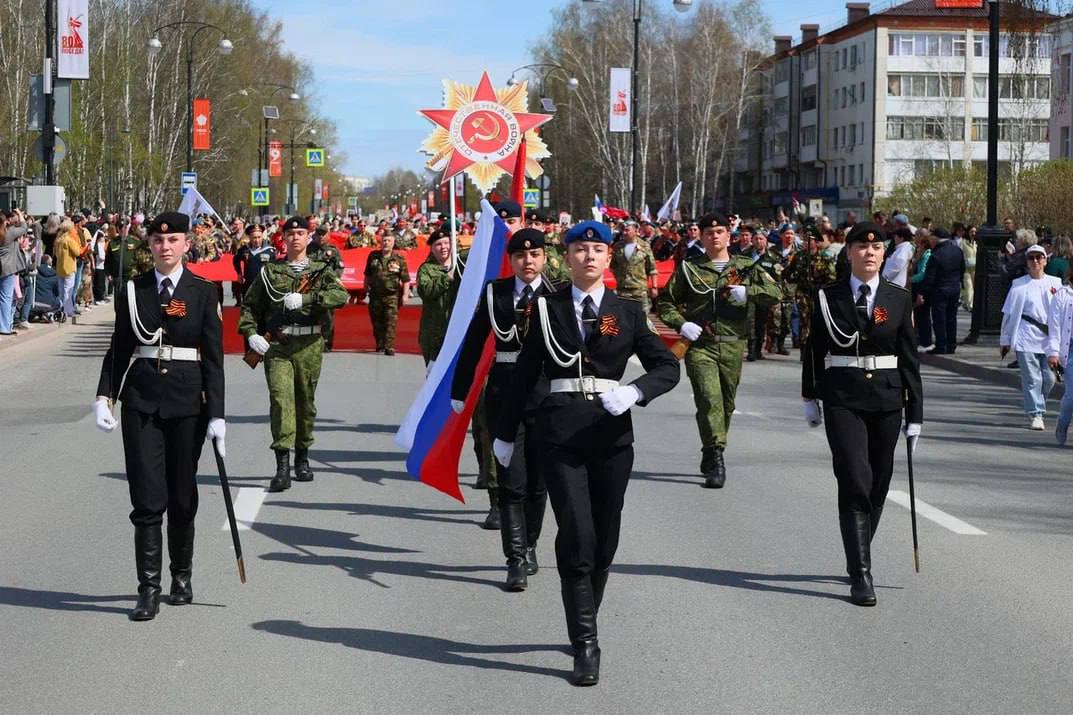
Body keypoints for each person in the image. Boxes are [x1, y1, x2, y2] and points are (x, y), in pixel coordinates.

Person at [493, 219, 680, 686]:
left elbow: (666, 366)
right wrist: (504, 432)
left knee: (605, 537)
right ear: (567, 257)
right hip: (559, 434)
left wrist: (635, 391)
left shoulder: (626, 311)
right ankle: (586, 642)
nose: (589, 256)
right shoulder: (546, 308)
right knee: (576, 533)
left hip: (611, 436)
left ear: (609, 258)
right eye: (580, 249)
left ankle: (586, 615)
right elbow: (525, 374)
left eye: (597, 250)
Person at [93, 211, 226, 621]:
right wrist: (104, 395)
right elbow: (119, 347)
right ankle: (148, 589)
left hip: (187, 402)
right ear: (149, 244)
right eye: (156, 240)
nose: (164, 246)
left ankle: (181, 577)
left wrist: (218, 414)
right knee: (147, 497)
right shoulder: (133, 291)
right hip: (142, 400)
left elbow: (214, 359)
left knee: (182, 495)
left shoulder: (204, 291)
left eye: (172, 240)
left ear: (186, 244)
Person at [802, 222, 923, 607]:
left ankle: (859, 548)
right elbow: (813, 347)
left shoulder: (898, 299)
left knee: (878, 481)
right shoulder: (827, 296)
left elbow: (909, 358)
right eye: (861, 246)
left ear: (884, 254)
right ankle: (861, 573)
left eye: (876, 247)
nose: (869, 253)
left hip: (887, 396)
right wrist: (810, 394)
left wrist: (916, 414)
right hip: (842, 395)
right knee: (854, 476)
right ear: (849, 252)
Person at [452, 228, 559, 592]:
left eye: (534, 255)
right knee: (512, 480)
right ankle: (514, 559)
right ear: (511, 260)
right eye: (520, 256)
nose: (528, 261)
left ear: (544, 258)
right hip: (504, 393)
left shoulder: (557, 295)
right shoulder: (495, 293)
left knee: (539, 483)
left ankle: (529, 545)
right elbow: (474, 342)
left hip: (546, 396)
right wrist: (460, 389)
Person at [657, 212, 782, 488]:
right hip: (701, 346)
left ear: (729, 235)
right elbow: (665, 302)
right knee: (708, 398)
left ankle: (711, 448)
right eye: (709, 233)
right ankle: (716, 456)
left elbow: (776, 293)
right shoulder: (689, 269)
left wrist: (748, 292)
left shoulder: (745, 266)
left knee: (726, 404)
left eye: (719, 232)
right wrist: (682, 324)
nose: (714, 236)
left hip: (734, 345)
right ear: (701, 237)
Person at [238, 215, 348, 491]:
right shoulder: (270, 272)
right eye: (291, 234)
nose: (296, 237)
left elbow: (341, 296)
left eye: (301, 233)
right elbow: (249, 306)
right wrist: (251, 334)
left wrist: (307, 298)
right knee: (280, 401)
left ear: (308, 238)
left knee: (305, 403)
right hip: (279, 347)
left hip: (309, 346)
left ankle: (302, 457)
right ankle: (282, 466)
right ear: (283, 239)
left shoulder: (320, 270)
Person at [1000, 244, 1063, 431]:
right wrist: (1005, 339)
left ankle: (1036, 402)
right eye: (1031, 258)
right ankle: (1036, 413)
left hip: (1049, 338)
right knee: (1032, 378)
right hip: (1025, 336)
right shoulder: (1019, 284)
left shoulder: (1056, 283)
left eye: (1039, 257)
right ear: (1027, 262)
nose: (1035, 261)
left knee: (1049, 378)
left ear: (1045, 260)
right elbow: (1009, 314)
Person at [919, 228, 966, 355]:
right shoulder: (957, 250)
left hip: (940, 289)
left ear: (936, 239)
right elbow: (962, 269)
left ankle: (941, 345)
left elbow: (930, 277)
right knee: (951, 318)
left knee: (939, 318)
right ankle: (951, 345)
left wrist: (922, 293)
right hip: (954, 288)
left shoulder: (936, 254)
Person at [363, 231, 410, 355]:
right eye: (384, 240)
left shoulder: (399, 258)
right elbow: (367, 273)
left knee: (391, 322)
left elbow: (406, 279)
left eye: (389, 241)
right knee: (377, 321)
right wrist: (365, 286)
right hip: (375, 295)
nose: (386, 243)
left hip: (392, 296)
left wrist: (405, 295)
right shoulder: (373, 256)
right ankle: (380, 344)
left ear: (393, 242)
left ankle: (389, 346)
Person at [416, 229, 454, 365]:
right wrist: (446, 278)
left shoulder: (462, 266)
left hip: (456, 328)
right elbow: (425, 292)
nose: (443, 247)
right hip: (434, 332)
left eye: (446, 243)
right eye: (438, 244)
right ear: (432, 248)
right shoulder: (426, 269)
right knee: (434, 371)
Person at [609, 219, 659, 313]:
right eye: (623, 230)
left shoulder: (644, 246)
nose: (624, 233)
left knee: (642, 317)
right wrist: (621, 278)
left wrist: (654, 287)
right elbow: (613, 267)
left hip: (639, 290)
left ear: (636, 231)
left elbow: (652, 269)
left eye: (627, 230)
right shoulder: (618, 246)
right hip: (622, 290)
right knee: (623, 318)